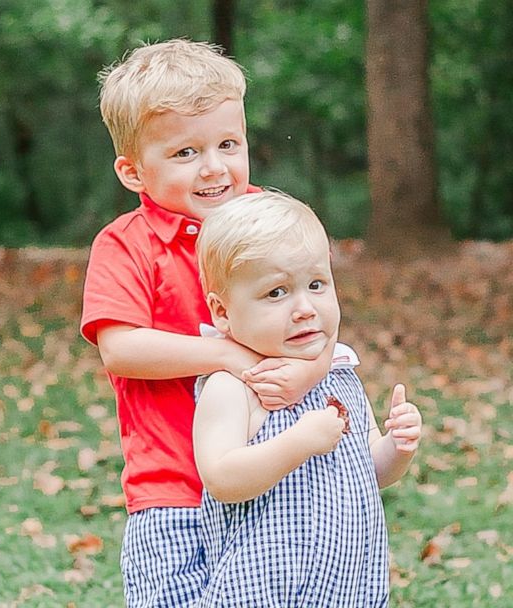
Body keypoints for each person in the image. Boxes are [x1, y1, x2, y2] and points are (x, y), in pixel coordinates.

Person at [80, 40, 333, 606]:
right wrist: (229, 356)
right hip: (173, 486)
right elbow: (121, 349)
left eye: (228, 144)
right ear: (133, 171)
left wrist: (307, 375)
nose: (215, 167)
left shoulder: (269, 221)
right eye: (186, 153)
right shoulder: (127, 246)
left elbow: (320, 318)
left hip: (272, 477)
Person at [194, 190, 423, 607]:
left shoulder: (340, 375)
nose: (304, 308)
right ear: (223, 312)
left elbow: (367, 470)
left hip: (347, 588)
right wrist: (299, 442)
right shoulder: (234, 386)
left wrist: (396, 448)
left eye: (316, 284)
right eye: (276, 293)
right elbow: (222, 478)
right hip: (262, 591)